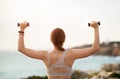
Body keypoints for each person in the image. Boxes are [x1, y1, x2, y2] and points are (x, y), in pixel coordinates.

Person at [18, 21, 100, 79]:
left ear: (51, 40)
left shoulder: (45, 56)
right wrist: (96, 28)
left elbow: (21, 49)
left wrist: (22, 29)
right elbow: (95, 48)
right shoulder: (71, 54)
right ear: (64, 40)